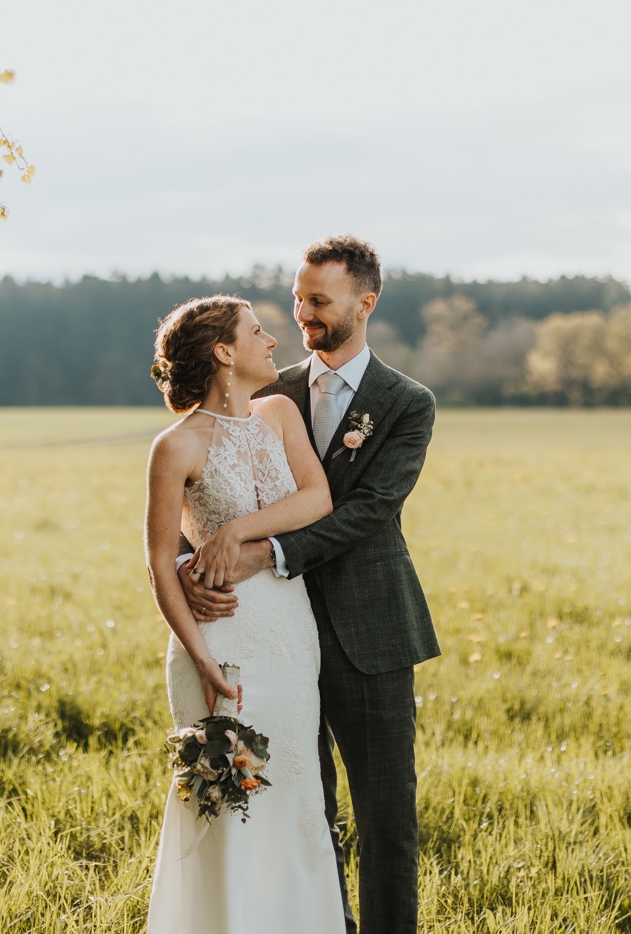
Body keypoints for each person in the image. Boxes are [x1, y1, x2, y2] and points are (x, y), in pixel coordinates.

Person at [176, 236, 440, 934]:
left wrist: (268, 553)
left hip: (371, 635)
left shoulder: (407, 403)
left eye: (319, 301)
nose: (302, 313)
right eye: (297, 298)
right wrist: (188, 567)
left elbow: (369, 509)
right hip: (275, 639)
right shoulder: (266, 389)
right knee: (303, 809)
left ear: (366, 302)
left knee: (387, 821)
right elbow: (205, 485)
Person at [142, 295, 346, 933]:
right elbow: (156, 559)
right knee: (226, 800)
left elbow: (318, 497)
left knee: (292, 793)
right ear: (224, 352)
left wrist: (237, 533)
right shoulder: (173, 447)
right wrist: (201, 657)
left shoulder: (281, 413)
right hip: (219, 644)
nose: (273, 341)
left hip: (289, 633)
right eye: (258, 331)